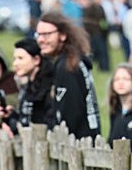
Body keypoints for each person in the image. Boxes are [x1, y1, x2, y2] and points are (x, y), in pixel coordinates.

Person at [35, 10, 101, 140]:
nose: (41, 40)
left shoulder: (67, 67)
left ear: (63, 35)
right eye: (39, 34)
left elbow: (69, 116)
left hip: (78, 146)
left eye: (47, 34)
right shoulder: (73, 60)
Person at [0, 37, 54, 133]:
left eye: (20, 58)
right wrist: (11, 116)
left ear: (36, 60)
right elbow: (24, 123)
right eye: (14, 59)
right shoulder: (27, 88)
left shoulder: (49, 88)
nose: (15, 63)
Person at [81, 0, 110, 72]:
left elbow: (103, 21)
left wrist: (105, 29)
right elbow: (88, 21)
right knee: (96, 51)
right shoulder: (92, 7)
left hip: (100, 33)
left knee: (102, 51)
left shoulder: (99, 6)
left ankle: (104, 68)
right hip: (94, 33)